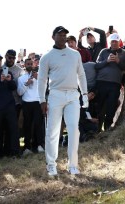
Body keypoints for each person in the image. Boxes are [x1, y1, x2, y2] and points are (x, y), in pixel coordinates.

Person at [38, 26, 89, 176]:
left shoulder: (75, 54)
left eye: (64, 35)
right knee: (52, 131)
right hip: (55, 95)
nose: (63, 37)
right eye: (60, 35)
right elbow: (41, 81)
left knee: (74, 129)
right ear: (53, 37)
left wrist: (84, 94)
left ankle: (73, 165)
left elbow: (81, 75)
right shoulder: (46, 57)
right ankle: (51, 165)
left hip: (73, 95)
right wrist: (42, 100)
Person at [95, 33, 125, 132]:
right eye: (112, 41)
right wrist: (107, 61)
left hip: (115, 84)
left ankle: (107, 130)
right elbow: (96, 65)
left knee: (111, 107)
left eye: (116, 41)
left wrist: (118, 61)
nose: (114, 43)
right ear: (109, 42)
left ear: (119, 42)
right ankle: (97, 129)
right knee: (99, 107)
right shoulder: (104, 51)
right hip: (101, 82)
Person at [17, 58, 45, 155]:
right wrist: (26, 84)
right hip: (26, 103)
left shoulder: (39, 76)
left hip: (37, 102)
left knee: (38, 125)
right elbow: (19, 93)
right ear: (24, 65)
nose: (29, 65)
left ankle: (39, 145)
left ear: (33, 65)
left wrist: (38, 78)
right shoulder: (21, 78)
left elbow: (45, 88)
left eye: (30, 64)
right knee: (27, 125)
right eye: (27, 64)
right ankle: (27, 147)